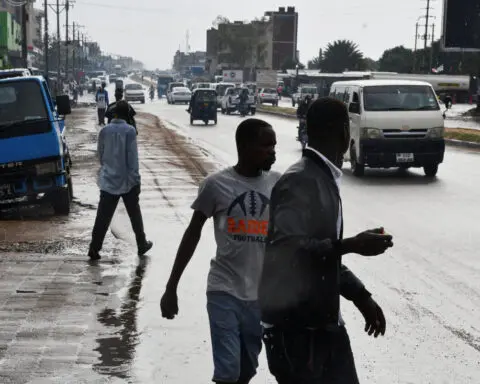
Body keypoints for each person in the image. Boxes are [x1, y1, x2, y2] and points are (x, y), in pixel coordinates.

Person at [259, 97, 394, 384]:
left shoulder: (322, 176)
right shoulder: (301, 180)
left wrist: (361, 296)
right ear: (344, 132)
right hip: (297, 331)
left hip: (322, 325)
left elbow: (323, 253)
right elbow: (289, 250)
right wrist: (352, 245)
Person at [160, 119, 280, 384]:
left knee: (246, 370)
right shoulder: (216, 185)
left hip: (260, 297)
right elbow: (192, 234)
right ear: (246, 147)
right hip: (223, 290)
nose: (273, 151)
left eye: (274, 146)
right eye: (266, 145)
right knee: (228, 372)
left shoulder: (278, 185)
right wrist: (171, 287)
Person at [88, 100, 153, 261]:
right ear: (127, 115)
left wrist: (108, 168)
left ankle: (94, 248)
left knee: (102, 217)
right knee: (134, 215)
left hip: (108, 181)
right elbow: (133, 159)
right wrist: (136, 180)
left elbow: (100, 155)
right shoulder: (130, 131)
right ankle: (141, 244)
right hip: (128, 182)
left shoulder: (104, 131)